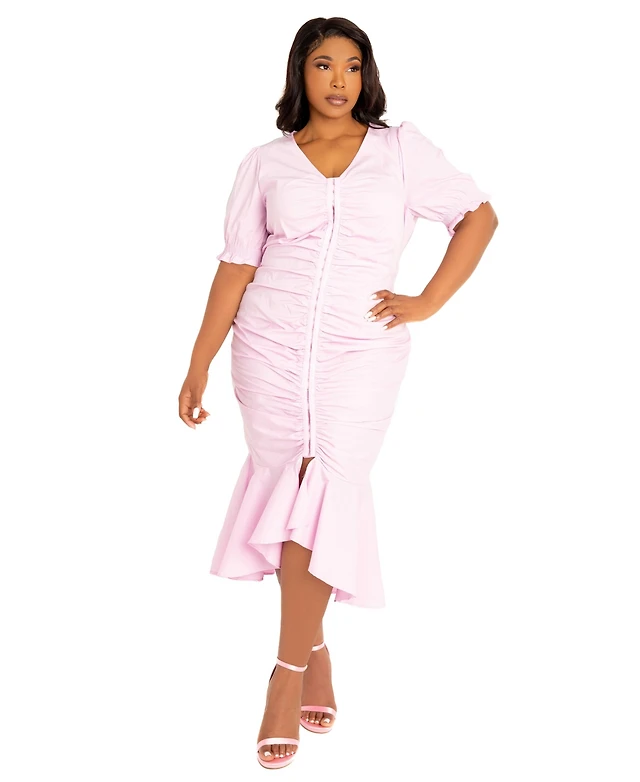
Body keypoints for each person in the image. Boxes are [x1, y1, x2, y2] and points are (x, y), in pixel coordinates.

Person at [178, 16, 498, 770]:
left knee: (329, 486)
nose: (339, 81)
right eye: (324, 65)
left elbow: (479, 217)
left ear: (367, 75)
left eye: (353, 66)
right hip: (269, 347)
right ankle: (313, 652)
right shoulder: (265, 163)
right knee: (291, 491)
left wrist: (427, 301)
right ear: (301, 71)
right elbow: (236, 266)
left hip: (362, 350)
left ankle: (285, 675)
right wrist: (198, 361)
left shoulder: (399, 150)